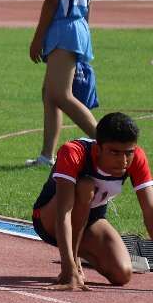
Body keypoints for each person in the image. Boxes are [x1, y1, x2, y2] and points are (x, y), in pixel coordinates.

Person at [32, 112, 152, 290]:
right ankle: (72, 260)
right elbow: (63, 213)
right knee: (86, 186)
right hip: (50, 218)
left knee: (122, 274)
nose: (123, 161)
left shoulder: (137, 158)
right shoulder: (73, 152)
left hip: (92, 219)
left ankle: (84, 252)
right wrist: (68, 267)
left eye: (129, 153)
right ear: (98, 148)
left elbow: (149, 211)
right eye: (115, 152)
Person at [27, 0, 98, 167]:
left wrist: (37, 39)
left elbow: (51, 2)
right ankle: (47, 156)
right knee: (49, 93)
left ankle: (107, 142)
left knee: (60, 94)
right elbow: (88, 0)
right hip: (79, 25)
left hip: (63, 27)